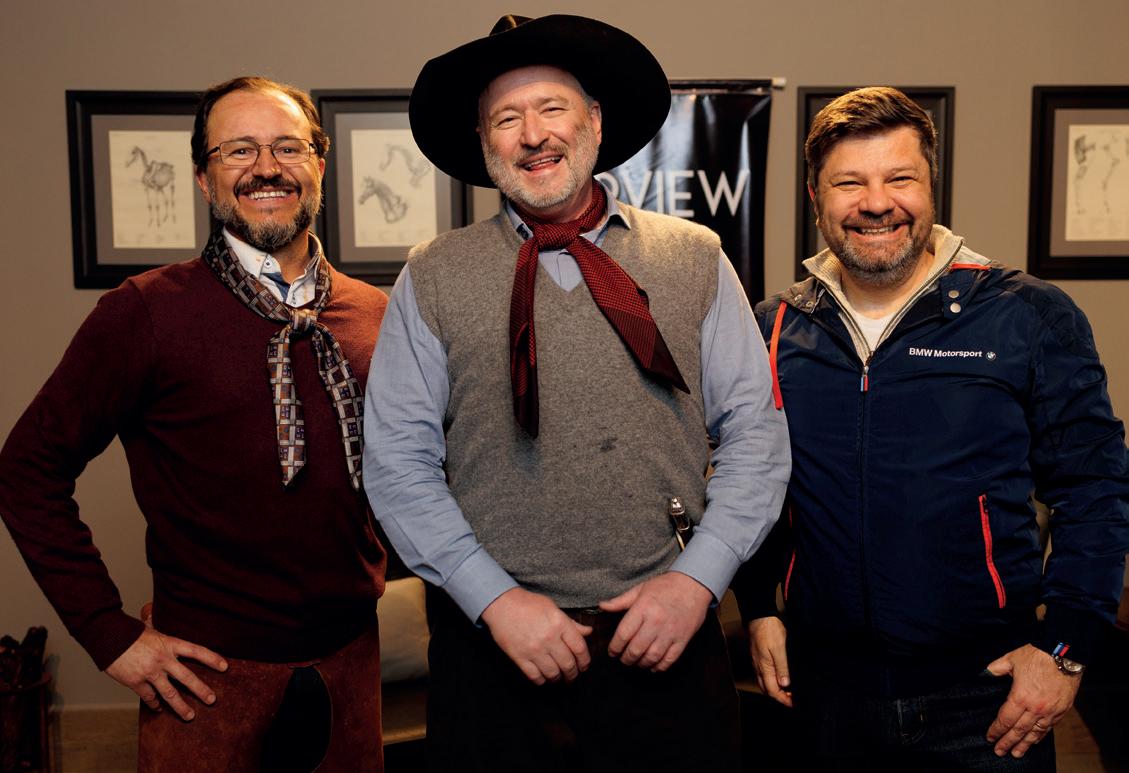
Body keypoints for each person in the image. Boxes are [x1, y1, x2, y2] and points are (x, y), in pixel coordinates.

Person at [362, 13, 790, 772]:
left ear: (593, 121)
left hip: (666, 639)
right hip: (494, 652)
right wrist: (493, 600)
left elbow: (756, 436)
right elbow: (397, 463)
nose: (533, 135)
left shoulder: (695, 258)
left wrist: (696, 583)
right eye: (506, 118)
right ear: (483, 141)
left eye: (552, 108)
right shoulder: (431, 274)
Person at [734, 86, 1129, 771]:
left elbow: (1094, 486)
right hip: (825, 694)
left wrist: (1065, 649)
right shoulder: (773, 326)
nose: (876, 202)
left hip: (988, 696)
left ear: (931, 186)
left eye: (899, 178)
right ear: (815, 196)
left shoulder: (1026, 314)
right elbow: (753, 478)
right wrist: (758, 605)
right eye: (849, 183)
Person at [0, 76, 389, 772]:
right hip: (205, 680)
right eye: (238, 150)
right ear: (204, 178)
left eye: (287, 147)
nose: (266, 167)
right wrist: (110, 634)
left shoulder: (375, 313)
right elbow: (25, 469)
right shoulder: (145, 311)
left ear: (319, 166)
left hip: (352, 666)